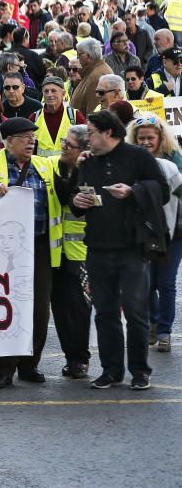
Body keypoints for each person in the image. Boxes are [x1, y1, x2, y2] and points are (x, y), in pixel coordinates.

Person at [0, 117, 71, 389]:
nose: (31, 141)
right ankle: (2, 369)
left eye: (32, 137)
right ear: (8, 142)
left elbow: (63, 194)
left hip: (39, 247)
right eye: (25, 137)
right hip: (2, 251)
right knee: (4, 308)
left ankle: (29, 365)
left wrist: (77, 186)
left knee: (38, 312)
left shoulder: (44, 165)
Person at [73, 110, 169, 390]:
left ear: (108, 133)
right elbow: (77, 195)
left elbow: (161, 191)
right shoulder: (89, 161)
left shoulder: (138, 156)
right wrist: (77, 199)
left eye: (91, 132)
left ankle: (140, 370)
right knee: (104, 312)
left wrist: (133, 191)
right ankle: (111, 370)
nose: (87, 138)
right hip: (97, 247)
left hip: (132, 247)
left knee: (135, 310)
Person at [125, 114, 182, 354]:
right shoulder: (131, 162)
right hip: (145, 233)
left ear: (161, 138)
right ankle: (151, 325)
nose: (146, 143)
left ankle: (164, 331)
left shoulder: (172, 162)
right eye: (141, 139)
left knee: (166, 283)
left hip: (173, 232)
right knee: (146, 284)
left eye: (150, 138)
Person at [50, 125, 92, 380]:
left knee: (78, 309)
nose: (63, 148)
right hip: (55, 251)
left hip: (81, 253)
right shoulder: (53, 165)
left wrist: (80, 171)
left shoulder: (91, 171)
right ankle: (70, 357)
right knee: (60, 309)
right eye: (63, 143)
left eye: (68, 145)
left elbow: (78, 207)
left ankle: (80, 358)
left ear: (83, 150)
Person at [30, 76, 86, 157]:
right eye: (46, 91)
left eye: (53, 91)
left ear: (63, 94)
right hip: (42, 168)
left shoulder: (74, 115)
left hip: (66, 167)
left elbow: (85, 142)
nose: (49, 94)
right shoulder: (34, 117)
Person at [70, 38, 113, 114]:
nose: (77, 58)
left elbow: (94, 112)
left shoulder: (97, 77)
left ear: (89, 56)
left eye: (79, 55)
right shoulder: (92, 72)